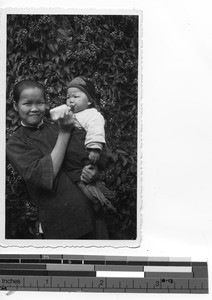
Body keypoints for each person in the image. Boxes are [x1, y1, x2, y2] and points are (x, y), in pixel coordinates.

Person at [6, 79, 103, 239]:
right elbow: (45, 176)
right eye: (27, 103)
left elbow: (87, 154)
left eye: (40, 103)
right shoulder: (16, 143)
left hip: (91, 212)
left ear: (46, 103)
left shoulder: (57, 124)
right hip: (61, 222)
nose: (35, 109)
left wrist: (93, 169)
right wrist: (64, 132)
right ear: (16, 106)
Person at [50, 76, 116, 213]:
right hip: (71, 159)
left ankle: (101, 200)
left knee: (85, 178)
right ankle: (97, 200)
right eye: (68, 97)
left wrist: (94, 148)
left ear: (90, 101)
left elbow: (96, 130)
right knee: (80, 182)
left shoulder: (92, 114)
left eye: (75, 96)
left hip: (85, 153)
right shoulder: (70, 114)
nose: (70, 100)